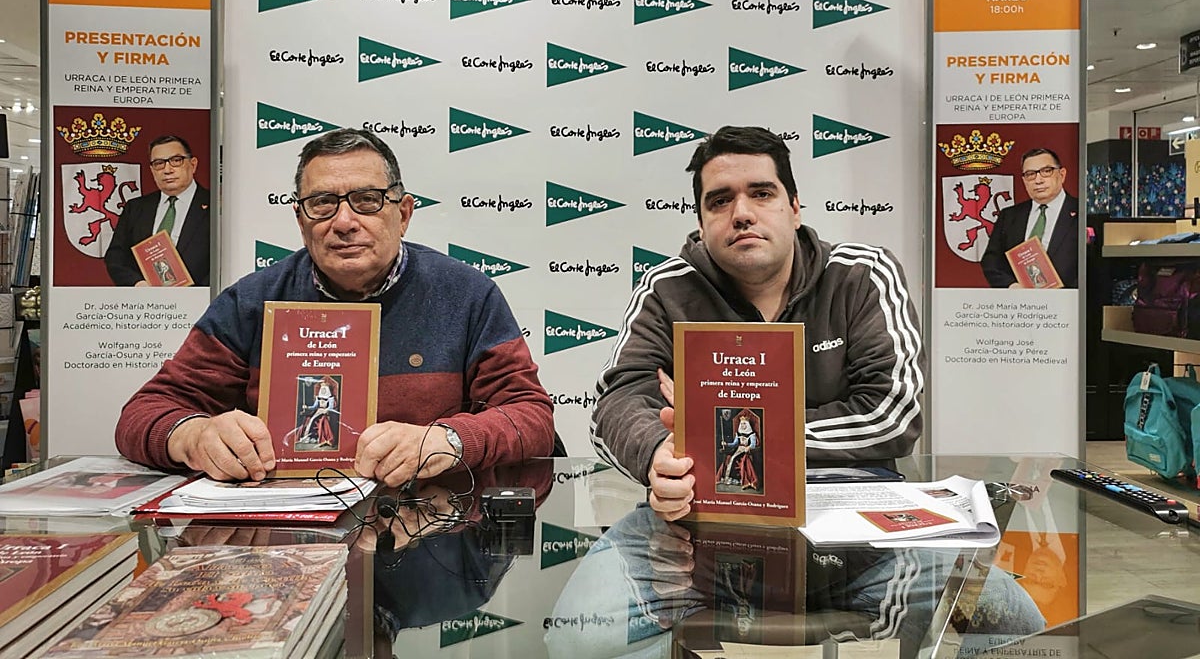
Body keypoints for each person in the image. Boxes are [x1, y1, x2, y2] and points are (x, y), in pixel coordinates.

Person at [115, 128, 554, 485]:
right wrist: (193, 434)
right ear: (300, 220)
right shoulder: (250, 301)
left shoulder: (465, 294)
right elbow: (143, 414)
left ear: (402, 214)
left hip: (428, 534)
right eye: (322, 204)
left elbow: (531, 416)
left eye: (366, 200)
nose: (344, 222)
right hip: (283, 548)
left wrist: (450, 440)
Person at [590, 125, 924, 522]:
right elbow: (615, 406)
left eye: (762, 194)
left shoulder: (863, 274)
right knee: (593, 587)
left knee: (991, 588)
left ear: (795, 208)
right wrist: (658, 453)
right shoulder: (667, 290)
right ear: (701, 223)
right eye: (719, 201)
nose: (742, 214)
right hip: (701, 507)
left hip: (850, 499)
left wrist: (717, 434)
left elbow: (892, 414)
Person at [105, 134, 211, 287]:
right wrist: (137, 283)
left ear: (193, 164)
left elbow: (225, 261)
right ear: (152, 170)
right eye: (159, 163)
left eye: (176, 161)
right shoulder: (135, 208)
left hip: (201, 304)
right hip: (145, 304)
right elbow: (115, 257)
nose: (167, 170)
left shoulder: (216, 206)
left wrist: (195, 295)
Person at [980, 147, 1078, 289]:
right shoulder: (1009, 216)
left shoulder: (1082, 212)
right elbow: (991, 262)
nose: (1038, 180)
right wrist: (1011, 286)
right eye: (1030, 174)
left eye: (1046, 171)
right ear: (1024, 180)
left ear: (1062, 175)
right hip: (1020, 305)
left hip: (1069, 303)